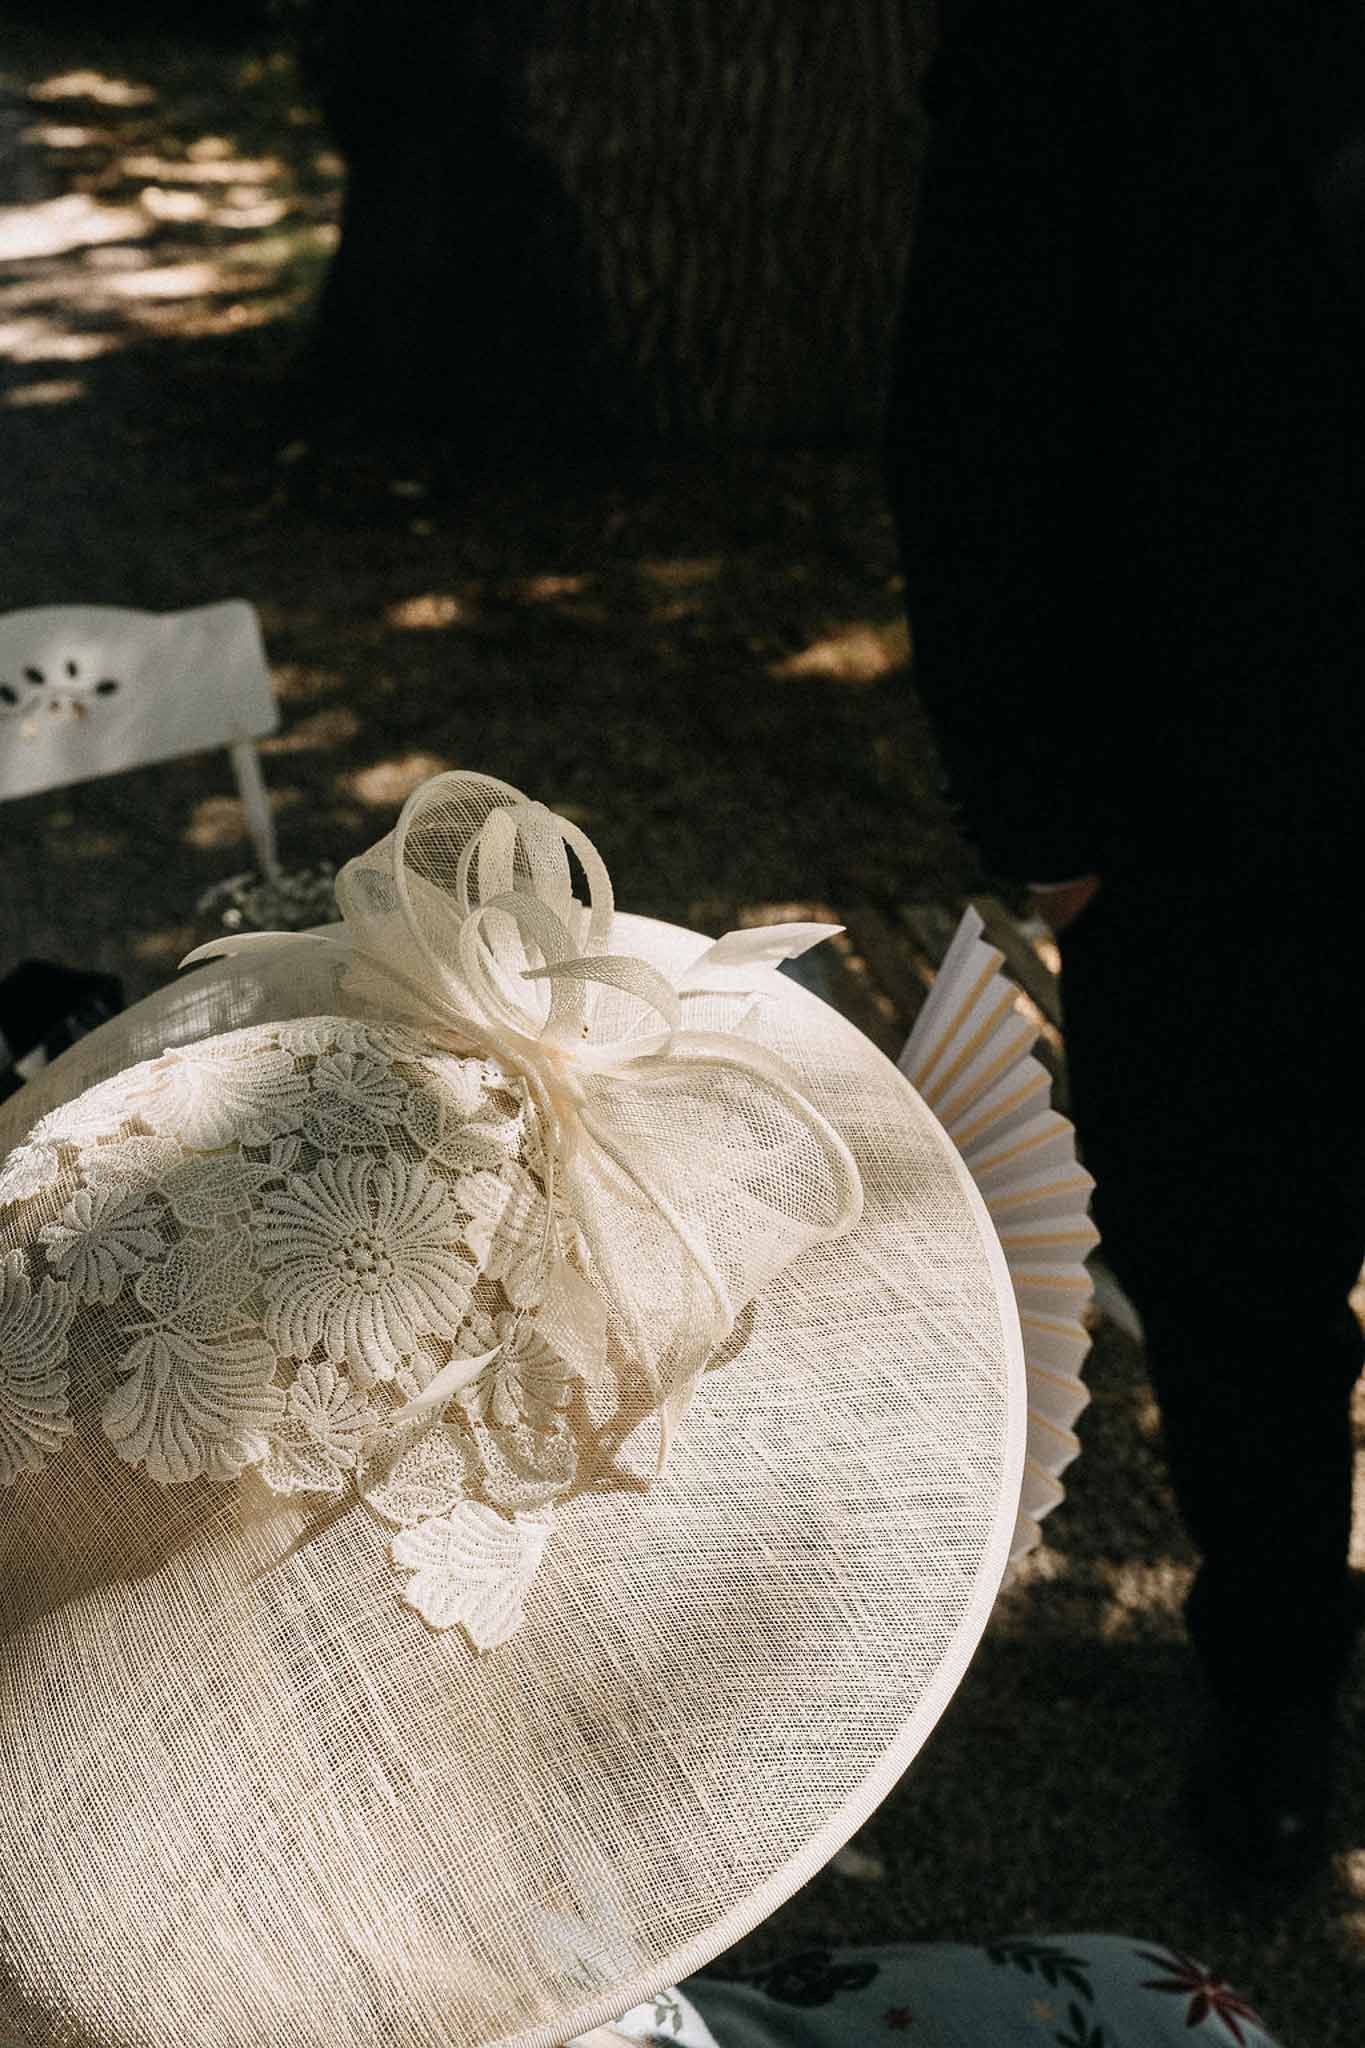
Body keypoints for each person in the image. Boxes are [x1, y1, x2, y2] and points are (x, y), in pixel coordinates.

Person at [884, 0, 1365, 1876]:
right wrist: (1057, 830)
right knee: (1238, 1292)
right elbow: (973, 422)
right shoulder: (1069, 34)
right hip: (1200, 822)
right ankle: (1272, 1688)